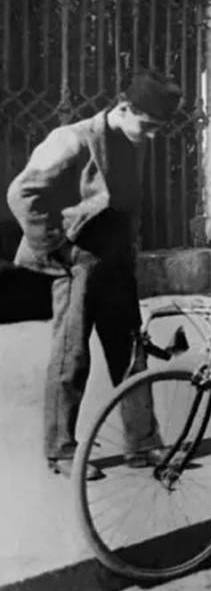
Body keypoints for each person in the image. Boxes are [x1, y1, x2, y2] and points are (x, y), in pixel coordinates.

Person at [6, 68, 181, 479]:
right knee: (72, 358)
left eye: (159, 129)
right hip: (77, 260)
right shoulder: (73, 139)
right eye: (149, 126)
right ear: (123, 108)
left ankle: (142, 444)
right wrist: (58, 249)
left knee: (131, 355)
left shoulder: (133, 140)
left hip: (115, 262)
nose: (152, 136)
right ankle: (61, 451)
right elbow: (22, 193)